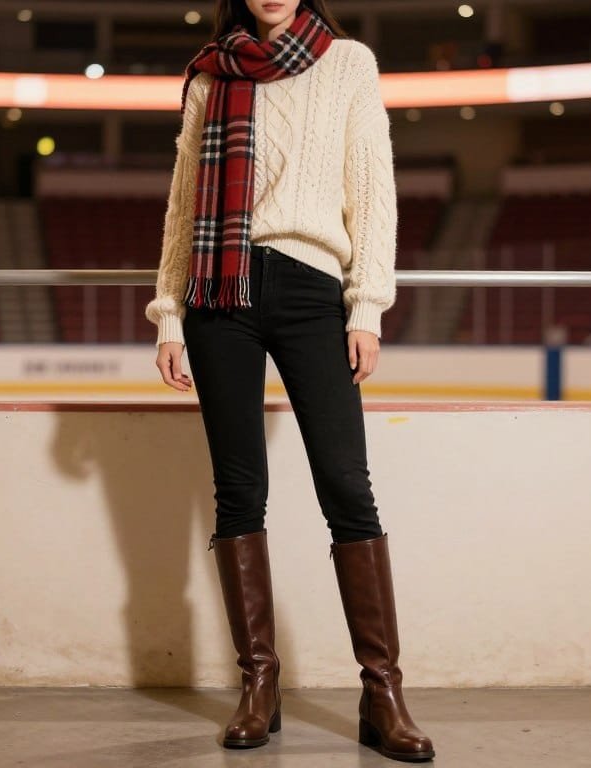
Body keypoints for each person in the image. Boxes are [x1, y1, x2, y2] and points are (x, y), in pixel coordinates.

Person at [145, 0, 434, 762]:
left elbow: (373, 190)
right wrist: (169, 313)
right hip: (220, 294)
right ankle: (259, 684)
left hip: (313, 292)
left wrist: (367, 307)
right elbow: (184, 203)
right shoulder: (211, 75)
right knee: (240, 491)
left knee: (346, 486)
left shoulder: (349, 64)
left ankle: (383, 693)